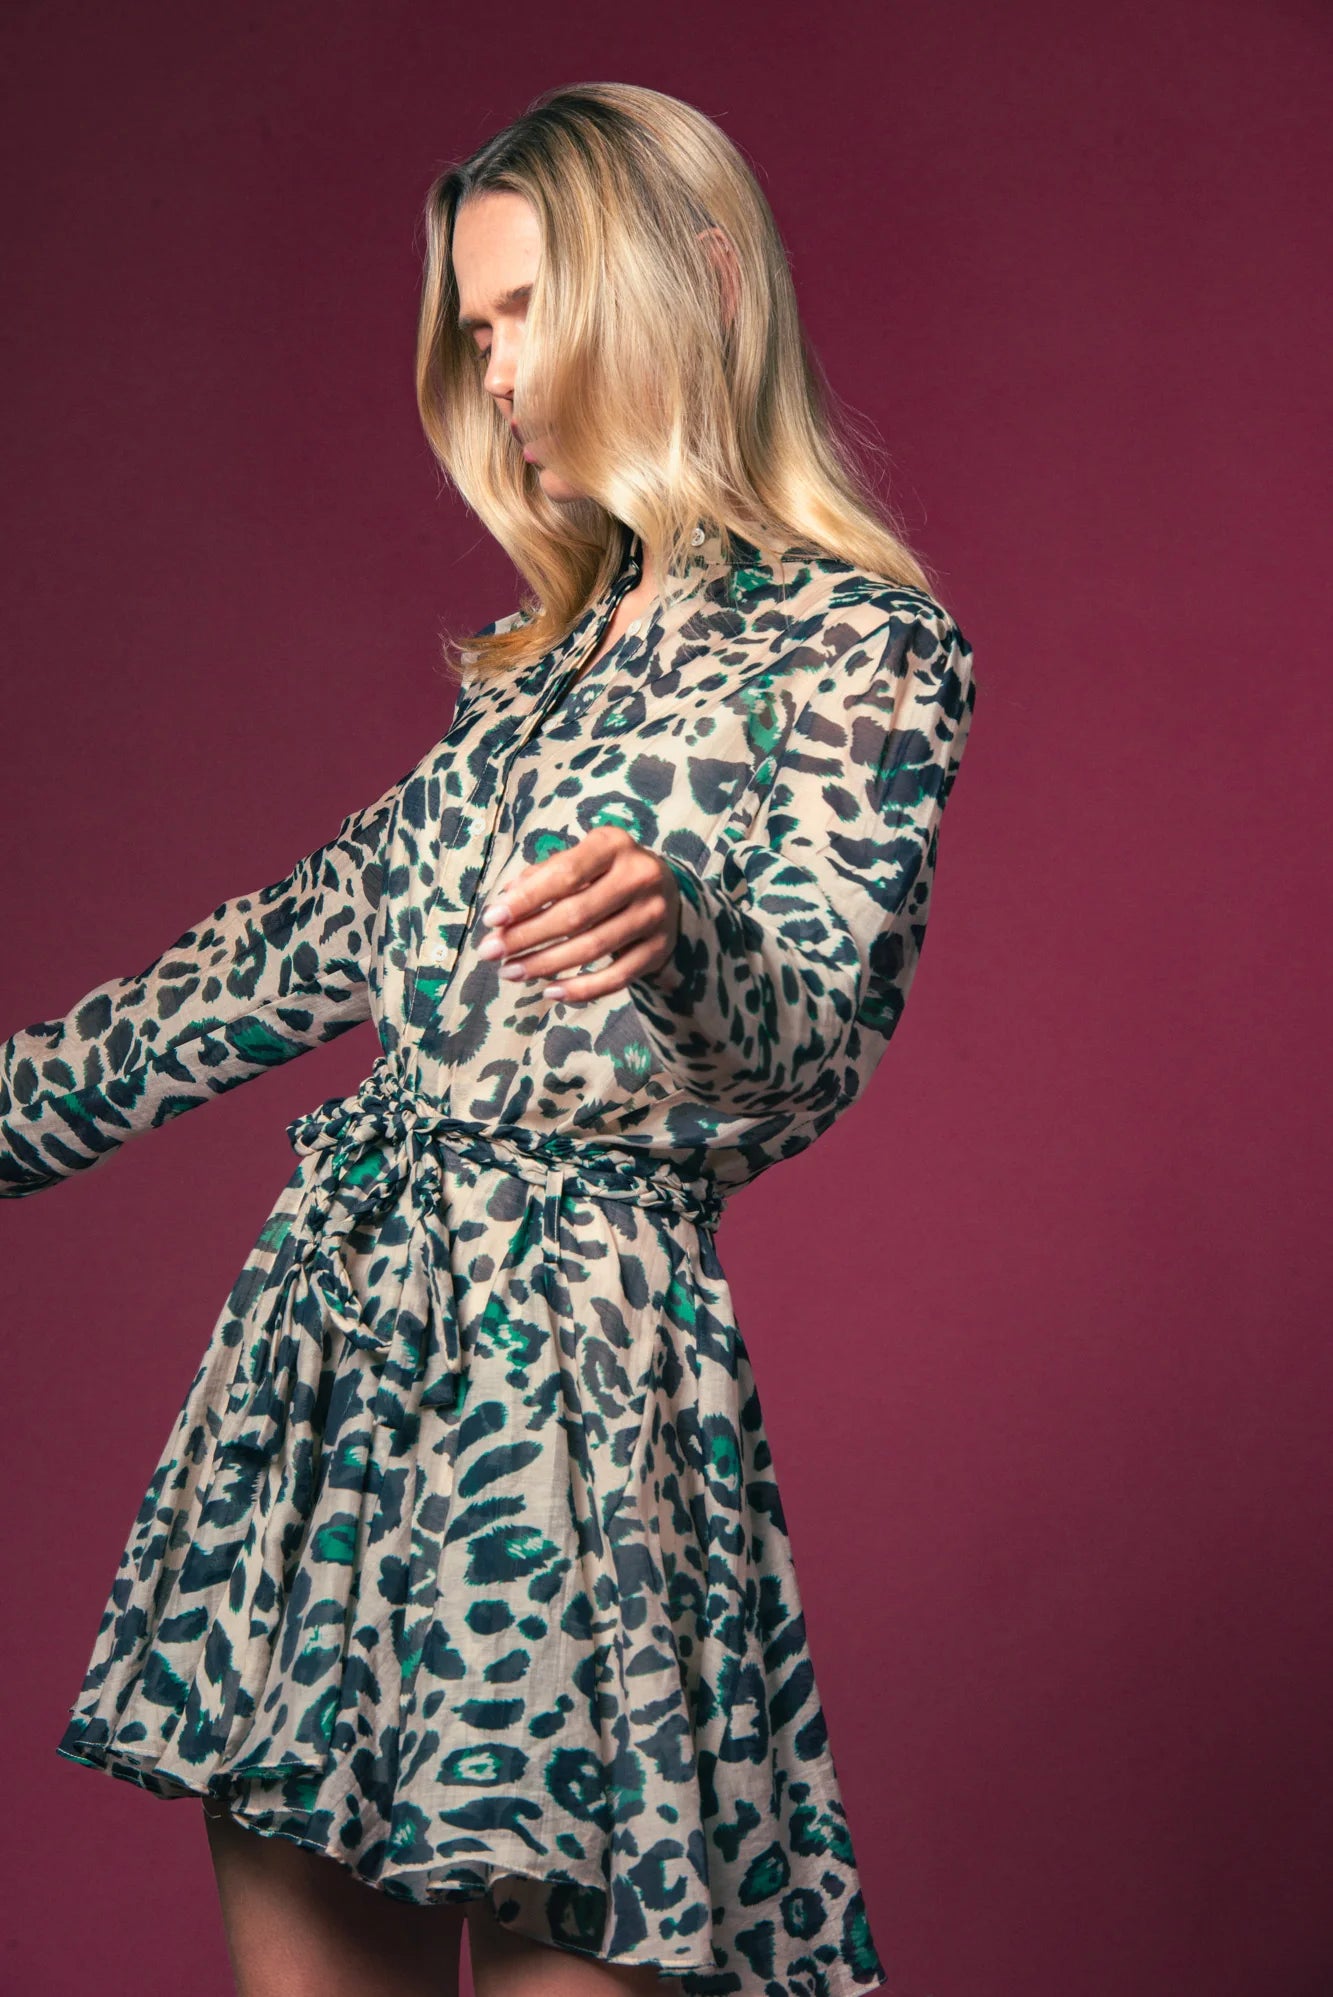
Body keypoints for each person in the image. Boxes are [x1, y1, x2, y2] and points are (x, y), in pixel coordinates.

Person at [1, 80, 977, 1997]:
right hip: (335, 1391)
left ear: (691, 284)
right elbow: (210, 993)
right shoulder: (513, 700)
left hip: (578, 1411)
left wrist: (680, 938)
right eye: (474, 330)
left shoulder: (860, 647)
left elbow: (814, 1045)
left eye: (523, 309)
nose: (494, 367)